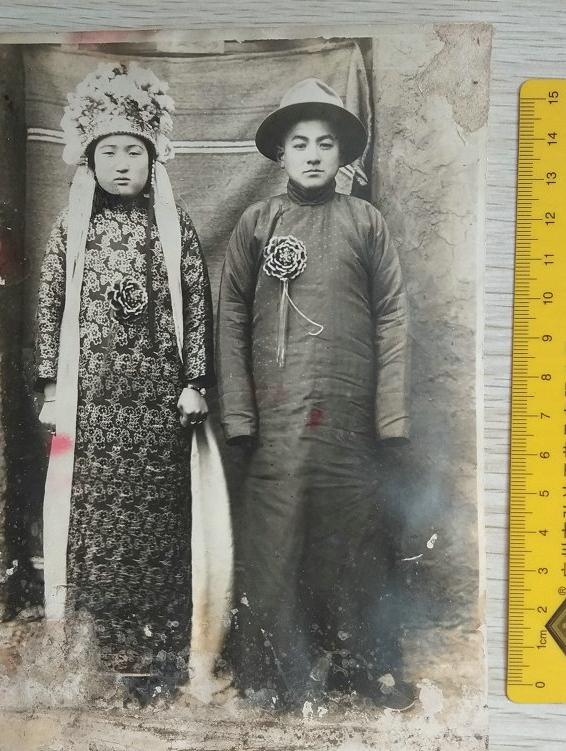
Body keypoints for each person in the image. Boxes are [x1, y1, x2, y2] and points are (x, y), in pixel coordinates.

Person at [216, 79, 414, 710]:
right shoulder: (258, 221)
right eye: (299, 143)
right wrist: (240, 415)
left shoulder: (366, 222)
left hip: (348, 414)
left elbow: (393, 314)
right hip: (276, 418)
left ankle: (361, 669)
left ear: (342, 155)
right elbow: (231, 317)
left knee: (353, 538)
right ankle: (274, 675)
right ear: (281, 154)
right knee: (274, 542)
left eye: (325, 143)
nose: (312, 154)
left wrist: (391, 416)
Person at [34, 63, 215, 697]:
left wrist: (195, 381)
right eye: (108, 151)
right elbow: (50, 301)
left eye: (132, 152)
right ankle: (93, 656)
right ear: (89, 158)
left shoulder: (172, 224)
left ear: (152, 157)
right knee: (93, 528)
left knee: (160, 530)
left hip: (158, 407)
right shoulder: (72, 226)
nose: (120, 165)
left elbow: (196, 299)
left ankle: (161, 659)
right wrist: (51, 388)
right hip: (92, 407)